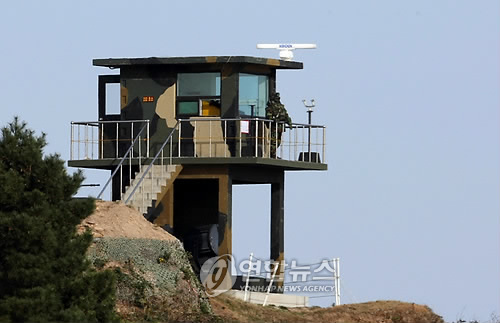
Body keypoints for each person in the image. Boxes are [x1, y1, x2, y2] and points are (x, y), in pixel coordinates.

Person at [265, 93, 292, 158]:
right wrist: (274, 119)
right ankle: (272, 154)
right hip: (274, 127)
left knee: (278, 142)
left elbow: (286, 115)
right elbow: (269, 116)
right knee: (273, 141)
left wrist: (289, 122)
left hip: (280, 127)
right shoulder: (270, 107)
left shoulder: (281, 107)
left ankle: (273, 154)